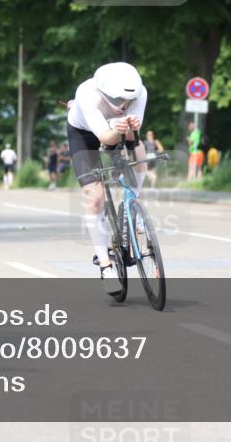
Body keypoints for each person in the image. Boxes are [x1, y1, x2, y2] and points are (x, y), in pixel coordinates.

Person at [67, 62, 148, 295]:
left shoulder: (139, 93)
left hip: (116, 129)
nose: (124, 106)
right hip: (84, 134)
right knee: (95, 198)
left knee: (139, 153)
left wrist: (131, 129)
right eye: (119, 100)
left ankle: (132, 205)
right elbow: (106, 137)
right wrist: (120, 129)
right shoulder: (87, 94)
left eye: (129, 101)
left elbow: (132, 137)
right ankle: (105, 264)